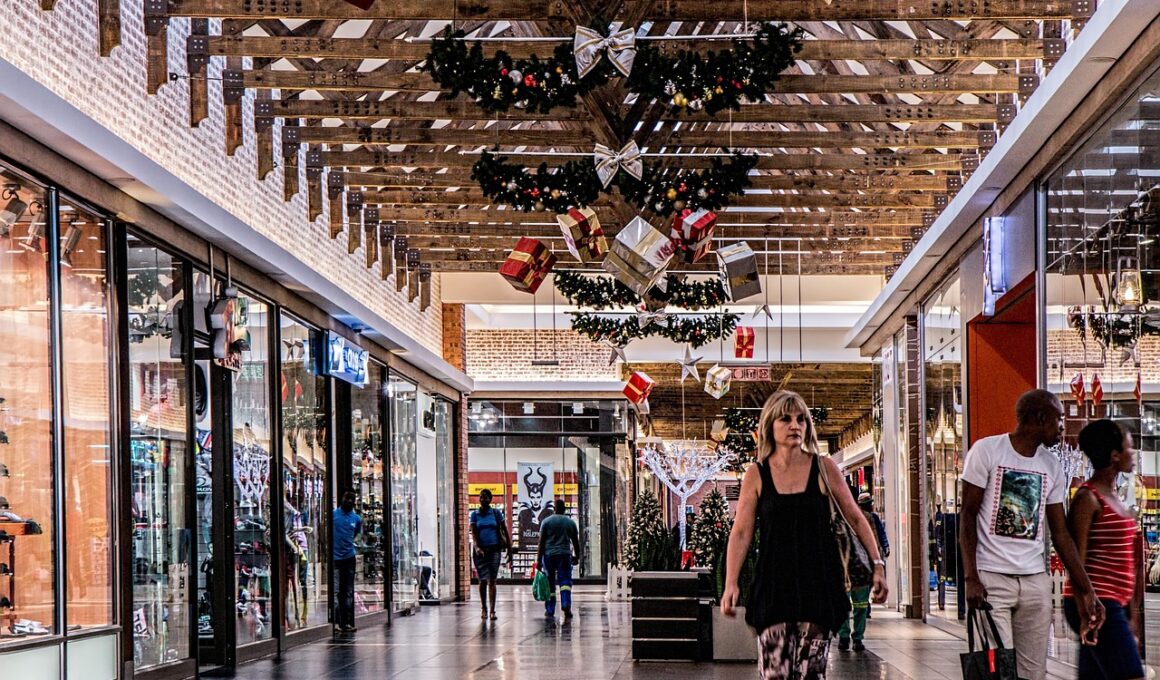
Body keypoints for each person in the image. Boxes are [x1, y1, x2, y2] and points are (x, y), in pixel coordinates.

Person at [721, 391, 888, 679]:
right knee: (775, 673)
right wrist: (730, 582)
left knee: (811, 673)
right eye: (785, 419)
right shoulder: (757, 474)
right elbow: (741, 532)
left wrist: (878, 564)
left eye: (801, 419)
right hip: (774, 588)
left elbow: (856, 518)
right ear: (770, 426)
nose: (795, 425)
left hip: (817, 586)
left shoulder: (824, 468)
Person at [960, 389, 1104, 680]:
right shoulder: (987, 451)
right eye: (1059, 419)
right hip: (992, 579)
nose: (1062, 427)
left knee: (1033, 672)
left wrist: (1087, 588)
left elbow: (1060, 533)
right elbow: (968, 516)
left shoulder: (1051, 466)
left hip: (1034, 581)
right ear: (1040, 418)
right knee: (997, 671)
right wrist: (971, 577)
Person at [1063, 419, 1144, 680]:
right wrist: (1085, 611)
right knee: (1132, 675)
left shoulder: (1114, 497)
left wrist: (1132, 614)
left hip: (1113, 604)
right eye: (1129, 447)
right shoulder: (1087, 498)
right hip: (1098, 605)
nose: (1133, 453)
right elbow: (1076, 561)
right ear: (1114, 455)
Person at [836, 493, 888, 650]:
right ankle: (857, 638)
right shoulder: (868, 518)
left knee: (844, 603)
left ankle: (844, 637)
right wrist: (877, 563)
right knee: (860, 604)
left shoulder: (838, 517)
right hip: (862, 566)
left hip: (844, 565)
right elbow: (877, 540)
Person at [470, 488, 512, 620]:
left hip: (494, 550)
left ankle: (493, 610)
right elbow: (474, 533)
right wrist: (477, 547)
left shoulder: (496, 513)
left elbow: (504, 530)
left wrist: (509, 548)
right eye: (481, 497)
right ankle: (484, 608)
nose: (483, 499)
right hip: (480, 552)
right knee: (482, 580)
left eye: (486, 497)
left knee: (492, 580)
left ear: (490, 499)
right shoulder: (474, 514)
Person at [537, 498, 581, 620]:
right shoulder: (570, 523)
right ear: (564, 509)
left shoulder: (546, 522)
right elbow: (575, 542)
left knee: (549, 583)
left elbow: (541, 543)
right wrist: (577, 556)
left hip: (549, 555)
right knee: (565, 581)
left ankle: (550, 609)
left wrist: (538, 560)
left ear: (554, 509)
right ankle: (566, 604)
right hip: (564, 554)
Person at [332, 490, 361, 633]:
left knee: (348, 591)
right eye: (347, 498)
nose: (349, 501)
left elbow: (355, 534)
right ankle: (336, 622)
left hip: (349, 558)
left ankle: (346, 622)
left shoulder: (356, 519)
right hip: (336, 558)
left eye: (352, 499)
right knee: (336, 591)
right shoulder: (334, 515)